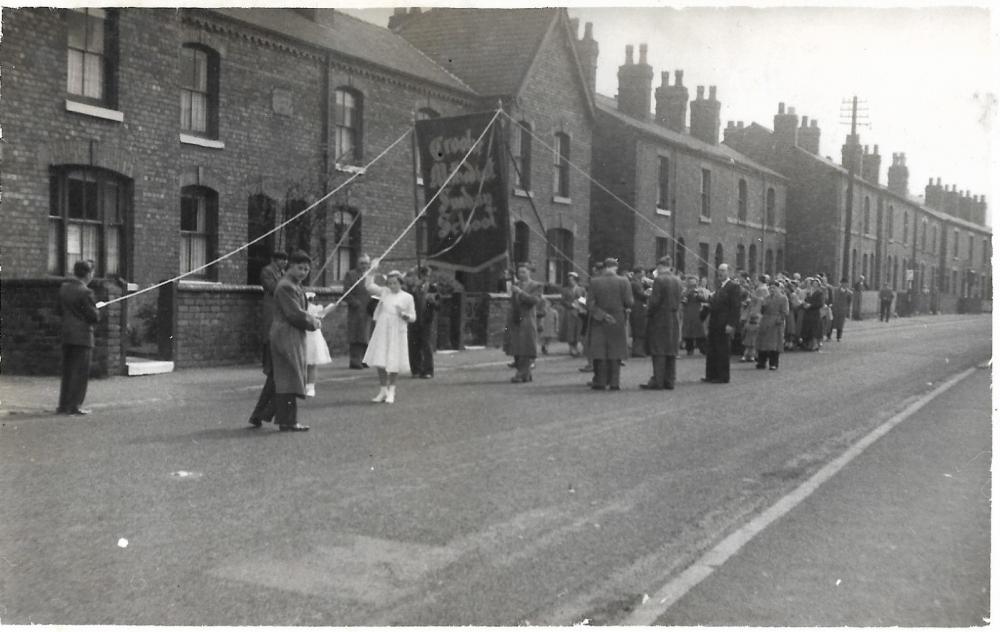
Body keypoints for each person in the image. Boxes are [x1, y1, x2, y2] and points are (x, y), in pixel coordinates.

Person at [248, 250, 321, 431]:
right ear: (290, 267)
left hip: (287, 334)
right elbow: (294, 314)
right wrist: (314, 322)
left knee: (276, 377)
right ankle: (288, 421)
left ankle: (259, 415)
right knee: (289, 376)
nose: (304, 272)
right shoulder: (287, 286)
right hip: (287, 335)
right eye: (300, 268)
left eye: (306, 269)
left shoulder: (293, 284)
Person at [363, 261, 417, 403]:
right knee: (380, 360)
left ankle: (392, 390)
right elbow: (369, 286)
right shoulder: (385, 292)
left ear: (401, 283)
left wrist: (405, 316)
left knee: (393, 360)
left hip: (397, 330)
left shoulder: (408, 297)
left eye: (395, 283)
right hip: (382, 329)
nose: (392, 286)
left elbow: (413, 317)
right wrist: (372, 271)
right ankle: (383, 390)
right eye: (390, 283)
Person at [57, 260, 101, 415]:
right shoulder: (86, 292)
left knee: (68, 372)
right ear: (88, 274)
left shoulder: (64, 288)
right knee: (80, 372)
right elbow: (93, 317)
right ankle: (75, 405)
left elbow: (59, 310)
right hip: (82, 337)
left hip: (67, 334)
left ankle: (63, 405)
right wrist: (97, 308)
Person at [586, 258, 633, 390]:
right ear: (616, 267)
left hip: (599, 320)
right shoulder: (624, 281)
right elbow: (629, 302)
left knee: (600, 351)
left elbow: (589, 304)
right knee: (615, 351)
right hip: (617, 318)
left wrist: (603, 315)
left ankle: (600, 382)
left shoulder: (594, 281)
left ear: (604, 267)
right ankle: (614, 382)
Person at [641, 257, 682, 390]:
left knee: (659, 350)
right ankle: (670, 381)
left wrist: (648, 312)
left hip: (660, 319)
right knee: (671, 351)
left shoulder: (659, 280)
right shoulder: (677, 279)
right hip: (673, 318)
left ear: (660, 266)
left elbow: (654, 302)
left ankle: (658, 381)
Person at [703, 263, 742, 384]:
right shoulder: (719, 286)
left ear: (729, 272)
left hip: (724, 323)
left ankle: (723, 376)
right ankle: (711, 374)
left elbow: (735, 307)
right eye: (719, 270)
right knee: (712, 349)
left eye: (723, 271)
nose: (720, 273)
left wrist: (731, 324)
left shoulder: (733, 287)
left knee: (722, 350)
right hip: (715, 322)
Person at [506, 263, 543, 382]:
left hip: (527, 318)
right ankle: (525, 373)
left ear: (529, 272)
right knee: (516, 346)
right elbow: (512, 301)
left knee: (526, 346)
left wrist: (521, 292)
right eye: (519, 272)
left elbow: (534, 300)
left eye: (523, 272)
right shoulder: (515, 284)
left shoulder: (536, 285)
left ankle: (521, 373)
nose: (521, 275)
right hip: (516, 318)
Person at [406, 266, 439, 378]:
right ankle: (416, 369)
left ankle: (428, 370)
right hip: (414, 319)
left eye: (426, 276)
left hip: (426, 320)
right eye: (422, 276)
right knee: (413, 345)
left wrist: (433, 302)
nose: (424, 278)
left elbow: (439, 305)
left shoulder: (432, 288)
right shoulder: (411, 289)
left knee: (426, 345)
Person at [342, 254, 373, 369]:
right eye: (362, 263)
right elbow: (346, 292)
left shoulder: (370, 275)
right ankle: (355, 360)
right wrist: (355, 303)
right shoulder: (351, 275)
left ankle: (364, 359)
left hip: (368, 309)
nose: (364, 266)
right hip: (356, 310)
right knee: (356, 335)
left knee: (366, 335)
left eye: (366, 263)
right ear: (357, 264)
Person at [259, 251, 288, 369]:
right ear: (274, 260)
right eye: (282, 259)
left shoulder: (283, 272)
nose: (285, 262)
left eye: (286, 260)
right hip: (271, 305)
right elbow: (271, 287)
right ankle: (267, 362)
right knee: (269, 332)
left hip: (281, 306)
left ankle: (276, 360)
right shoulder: (267, 271)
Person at [755, 281, 790, 370]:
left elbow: (785, 311)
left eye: (774, 288)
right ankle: (761, 362)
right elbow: (762, 310)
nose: (772, 290)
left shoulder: (783, 298)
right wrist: (762, 305)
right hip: (765, 321)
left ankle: (773, 363)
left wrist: (779, 319)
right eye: (770, 288)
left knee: (774, 344)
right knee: (762, 343)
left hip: (775, 322)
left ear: (778, 288)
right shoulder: (766, 298)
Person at [303, 292, 332, 397]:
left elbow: (322, 313)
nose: (310, 302)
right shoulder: (301, 310)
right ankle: (305, 385)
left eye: (311, 299)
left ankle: (310, 387)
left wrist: (331, 307)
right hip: (304, 337)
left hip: (313, 338)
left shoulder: (315, 309)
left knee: (312, 363)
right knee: (306, 364)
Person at [681, 275, 708, 356]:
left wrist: (698, 295)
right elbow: (683, 301)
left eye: (694, 283)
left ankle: (703, 349)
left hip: (697, 314)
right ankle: (689, 349)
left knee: (699, 333)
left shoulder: (699, 291)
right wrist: (687, 294)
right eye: (691, 283)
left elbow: (704, 299)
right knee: (688, 333)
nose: (692, 285)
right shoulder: (685, 291)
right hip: (688, 314)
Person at [561, 272, 586, 357]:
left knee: (577, 329)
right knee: (570, 329)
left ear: (576, 280)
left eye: (572, 280)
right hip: (570, 311)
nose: (570, 282)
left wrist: (580, 301)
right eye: (569, 280)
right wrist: (570, 304)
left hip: (579, 312)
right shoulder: (565, 290)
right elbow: (563, 301)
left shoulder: (581, 289)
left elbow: (585, 300)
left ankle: (576, 345)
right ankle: (571, 347)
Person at [629, 266, 650, 358]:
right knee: (639, 329)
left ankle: (638, 349)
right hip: (638, 308)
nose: (644, 275)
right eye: (643, 273)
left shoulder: (637, 283)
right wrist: (649, 292)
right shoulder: (635, 283)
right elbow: (642, 294)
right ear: (638, 273)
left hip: (637, 308)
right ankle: (638, 350)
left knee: (639, 330)